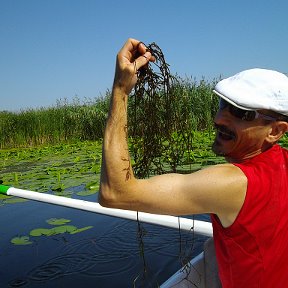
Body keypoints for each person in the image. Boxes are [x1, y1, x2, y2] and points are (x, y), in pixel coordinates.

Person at [99, 38, 288, 287]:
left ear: (275, 131)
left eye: (241, 113)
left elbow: (115, 192)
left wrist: (121, 91)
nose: (219, 119)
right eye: (223, 105)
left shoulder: (234, 183)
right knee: (211, 247)